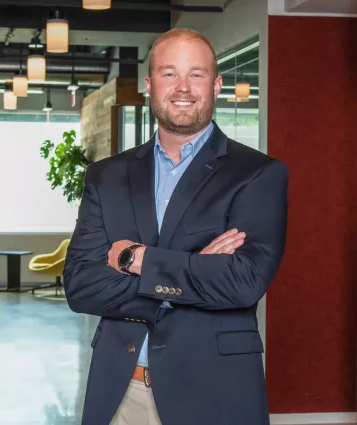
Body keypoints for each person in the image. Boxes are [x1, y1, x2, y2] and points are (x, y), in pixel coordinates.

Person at [63, 28, 288, 425]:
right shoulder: (105, 176)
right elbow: (81, 286)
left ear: (216, 85)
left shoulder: (258, 174)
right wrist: (194, 267)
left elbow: (242, 282)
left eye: (196, 74)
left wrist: (136, 258)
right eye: (169, 74)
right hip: (120, 391)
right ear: (149, 85)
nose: (183, 87)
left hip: (215, 391)